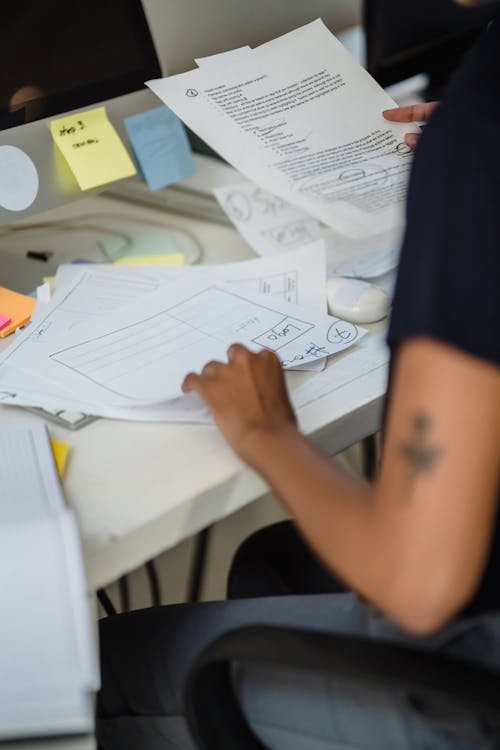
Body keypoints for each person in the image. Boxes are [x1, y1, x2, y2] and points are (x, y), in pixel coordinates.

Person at [97, 6, 500, 749]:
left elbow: (415, 584)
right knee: (271, 561)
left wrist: (266, 432)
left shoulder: (479, 140)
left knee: (107, 668)